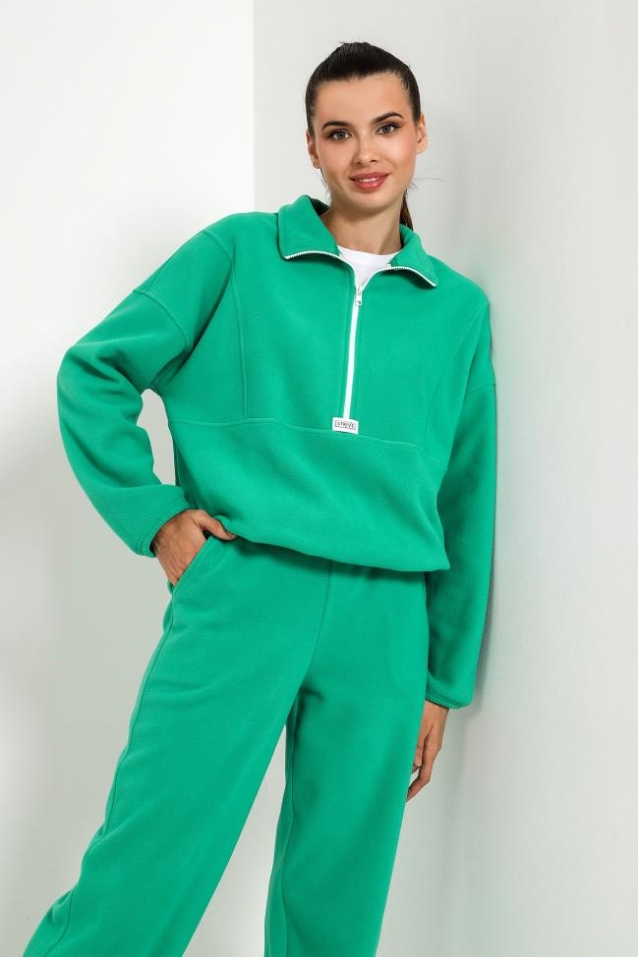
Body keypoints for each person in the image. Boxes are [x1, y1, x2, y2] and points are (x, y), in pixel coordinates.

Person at [22, 40, 497, 957]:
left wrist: (442, 679)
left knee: (336, 908)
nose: (366, 152)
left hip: (386, 621)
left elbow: (466, 494)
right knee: (144, 874)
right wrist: (157, 516)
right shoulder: (239, 253)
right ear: (311, 146)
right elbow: (94, 372)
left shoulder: (458, 310)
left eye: (386, 126)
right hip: (242, 590)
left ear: (419, 134)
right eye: (339, 132)